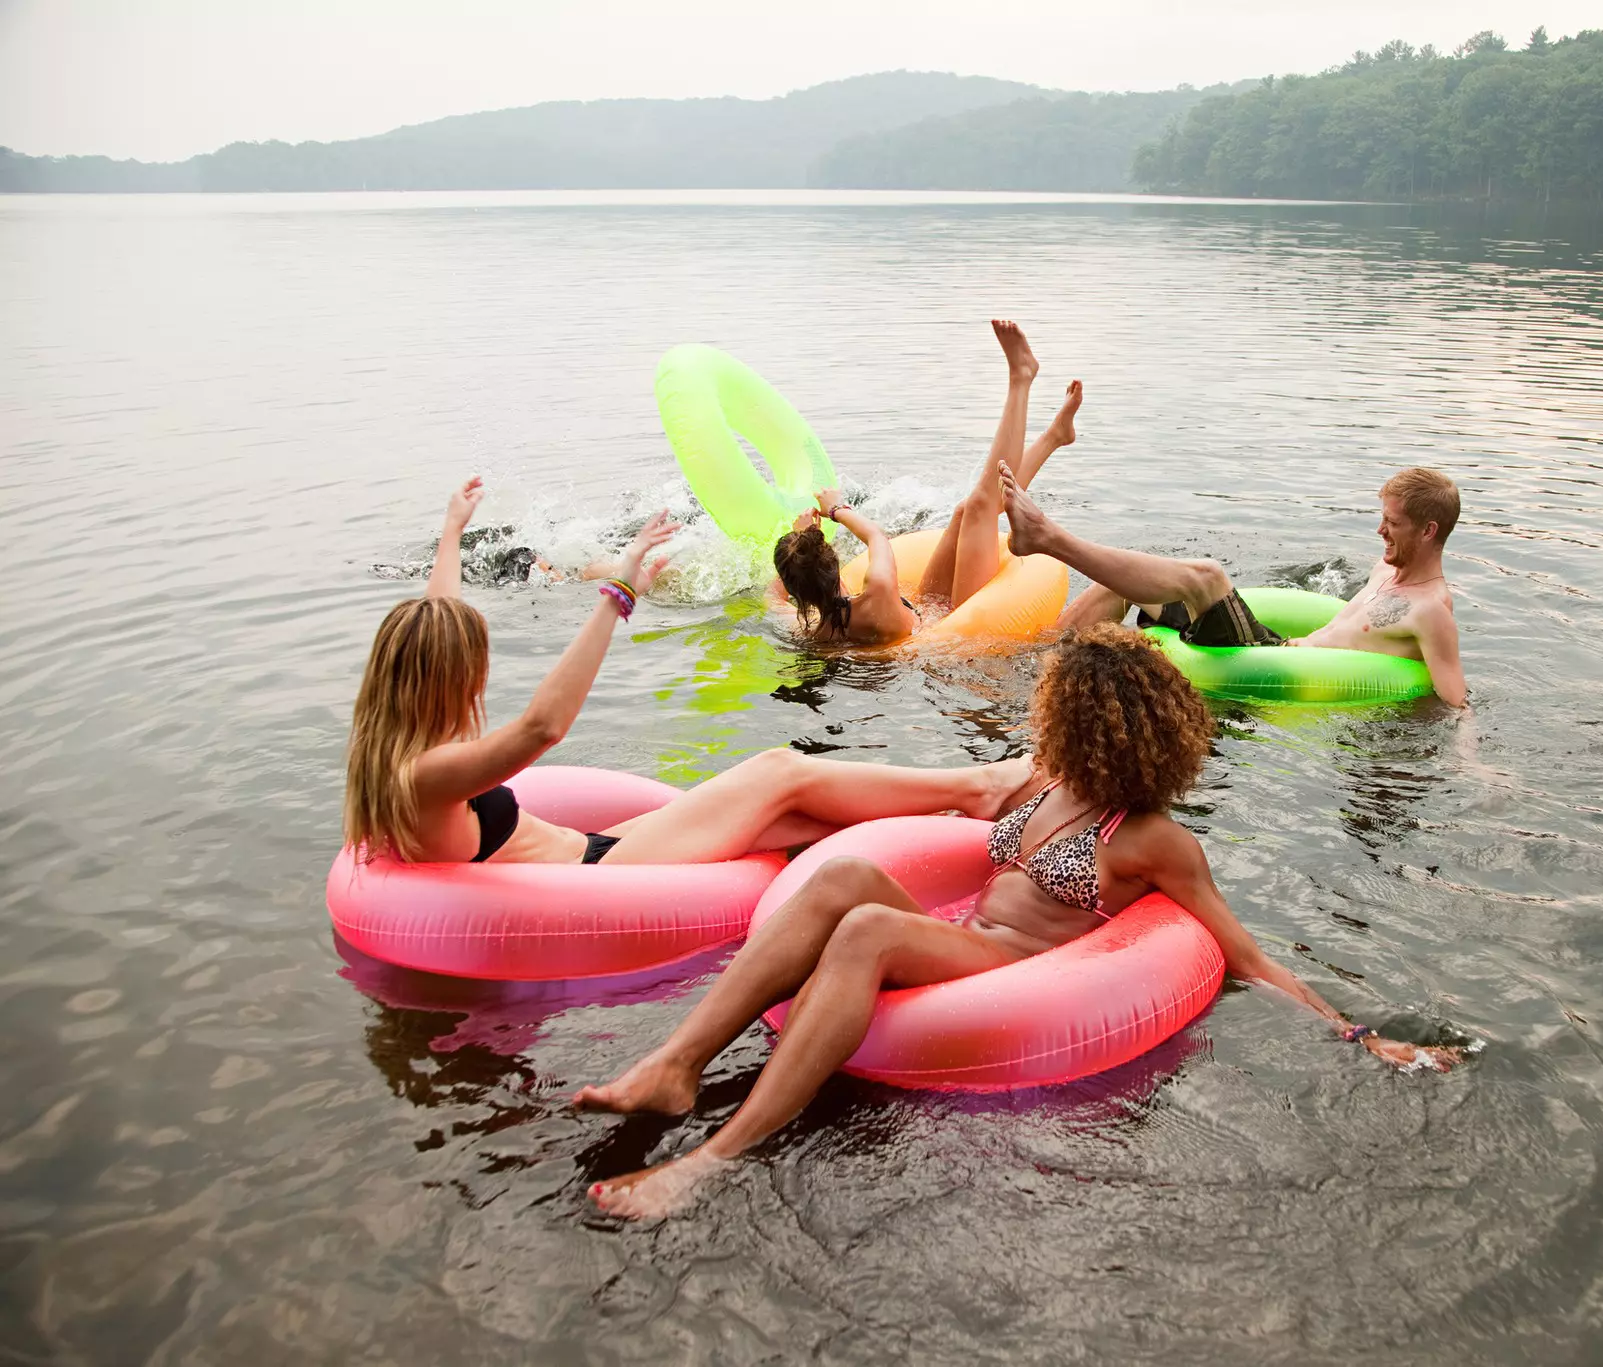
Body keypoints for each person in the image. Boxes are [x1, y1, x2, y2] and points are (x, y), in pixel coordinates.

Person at [573, 622, 1465, 1219]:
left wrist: (1351, 1031)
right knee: (842, 874)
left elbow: (1244, 954)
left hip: (1008, 966)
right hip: (968, 933)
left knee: (866, 931)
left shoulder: (1151, 839)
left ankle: (714, 1159)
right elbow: (940, 823)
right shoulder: (1043, 780)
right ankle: (676, 1064)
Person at [343, 478, 1028, 868]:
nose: (479, 682)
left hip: (599, 848)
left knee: (808, 822)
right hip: (598, 876)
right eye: (470, 670)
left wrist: (452, 531)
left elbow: (435, 619)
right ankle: (981, 785)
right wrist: (620, 593)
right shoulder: (425, 778)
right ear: (439, 682)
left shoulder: (394, 752)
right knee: (780, 772)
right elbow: (542, 726)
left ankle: (973, 834)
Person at [998, 463, 1469, 708]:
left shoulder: (1431, 610)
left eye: (1393, 523)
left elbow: (1455, 703)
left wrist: (1475, 770)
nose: (1380, 532)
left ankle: (1047, 538)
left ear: (1428, 531)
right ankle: (1032, 667)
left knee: (1207, 576)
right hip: (1276, 643)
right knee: (1122, 588)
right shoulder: (1384, 571)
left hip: (1270, 668)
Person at [770, 319, 1083, 645]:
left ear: (798, 594)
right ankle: (1020, 380)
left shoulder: (805, 627)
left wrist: (800, 546)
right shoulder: (877, 589)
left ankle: (1055, 437)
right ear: (831, 562)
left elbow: (773, 597)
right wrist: (833, 510)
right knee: (978, 508)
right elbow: (876, 535)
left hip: (926, 614)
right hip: (949, 633)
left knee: (964, 511)